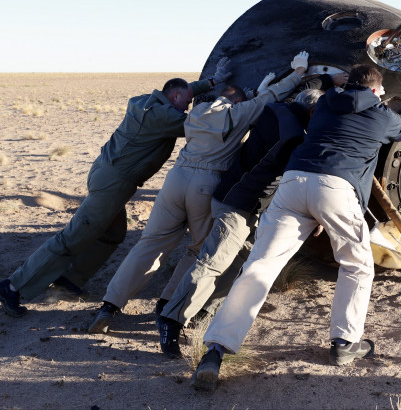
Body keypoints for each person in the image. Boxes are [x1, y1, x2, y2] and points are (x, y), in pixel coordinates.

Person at [189, 64, 401, 391]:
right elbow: (400, 128)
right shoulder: (381, 114)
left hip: (294, 181)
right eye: (380, 92)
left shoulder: (327, 102)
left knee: (261, 264)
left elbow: (338, 101)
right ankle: (345, 343)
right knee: (357, 264)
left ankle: (215, 350)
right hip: (337, 188)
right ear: (375, 91)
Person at [87, 52, 309, 334]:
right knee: (200, 250)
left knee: (150, 243)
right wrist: (298, 72)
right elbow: (271, 97)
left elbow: (240, 99)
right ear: (238, 101)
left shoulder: (195, 113)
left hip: (175, 180)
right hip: (206, 184)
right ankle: (169, 303)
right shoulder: (238, 114)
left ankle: (110, 305)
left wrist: (242, 91)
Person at [0, 60, 237, 318]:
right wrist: (235, 103)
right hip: (113, 184)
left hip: (105, 174)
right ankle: (13, 286)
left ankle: (69, 281)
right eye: (185, 102)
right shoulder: (161, 117)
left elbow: (183, 90)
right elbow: (203, 124)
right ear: (175, 97)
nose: (187, 107)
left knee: (112, 233)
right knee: (70, 238)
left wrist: (210, 82)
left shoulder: (147, 101)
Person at [157, 80, 340, 358]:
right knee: (213, 262)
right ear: (313, 111)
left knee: (242, 261)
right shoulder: (293, 137)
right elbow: (300, 177)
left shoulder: (276, 109)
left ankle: (204, 311)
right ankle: (171, 320)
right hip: (239, 203)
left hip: (244, 200)